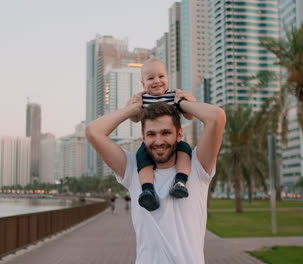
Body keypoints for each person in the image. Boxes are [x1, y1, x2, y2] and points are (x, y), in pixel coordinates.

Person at [85, 91, 226, 263]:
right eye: (151, 134)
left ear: (179, 135)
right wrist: (133, 109)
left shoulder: (197, 165)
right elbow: (93, 132)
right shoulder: (132, 168)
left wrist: (181, 103)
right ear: (143, 137)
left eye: (166, 132)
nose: (158, 141)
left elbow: (217, 117)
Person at [129, 58, 195, 211]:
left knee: (185, 152)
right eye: (150, 78)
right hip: (149, 144)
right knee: (142, 160)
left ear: (167, 78)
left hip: (174, 141)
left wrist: (188, 100)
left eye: (161, 76)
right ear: (143, 83)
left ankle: (180, 182)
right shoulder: (143, 99)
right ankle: (147, 189)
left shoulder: (174, 95)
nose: (156, 81)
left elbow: (190, 116)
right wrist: (132, 104)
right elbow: (134, 118)